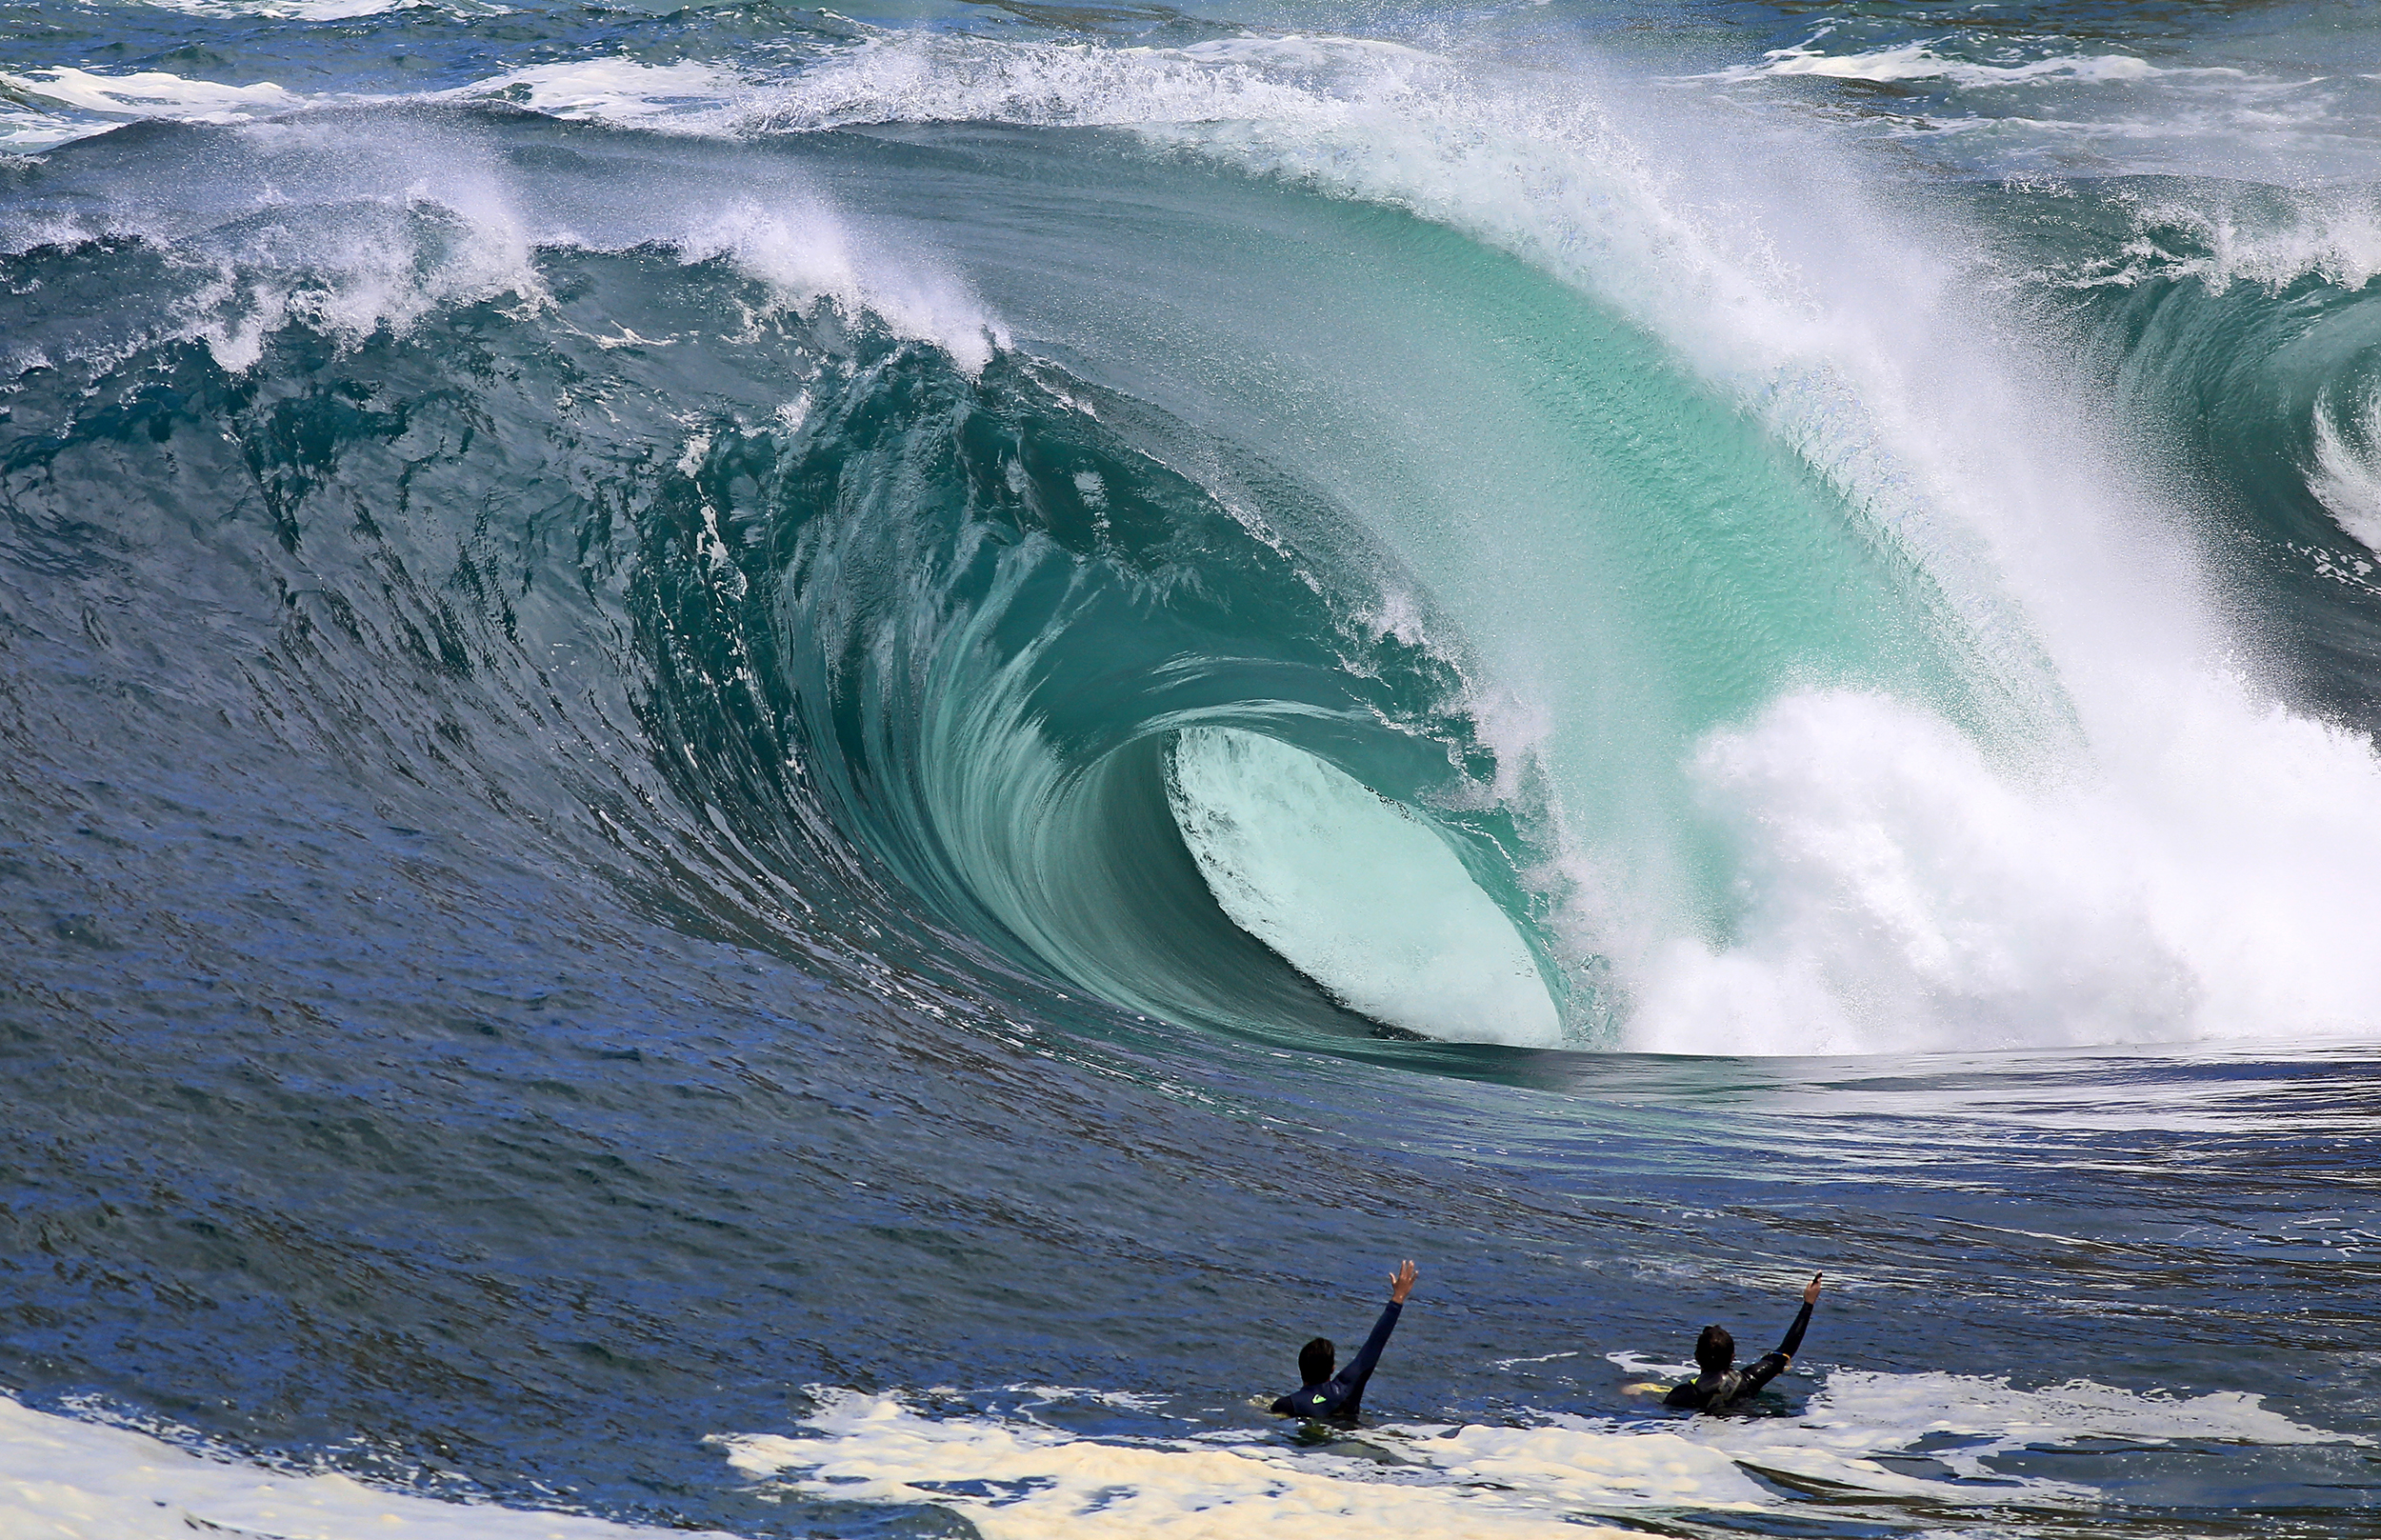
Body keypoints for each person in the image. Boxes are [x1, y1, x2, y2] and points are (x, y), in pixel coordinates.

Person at [1271, 1260, 1418, 1426]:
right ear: (1332, 1369)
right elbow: (1375, 1344)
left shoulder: (1286, 1405)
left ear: (1301, 1368)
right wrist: (1398, 1297)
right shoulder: (1346, 1388)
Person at [1664, 1272, 1823, 1413]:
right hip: (1747, 1430)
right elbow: (1786, 1350)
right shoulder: (1749, 1381)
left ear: (1697, 1356)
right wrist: (1808, 1303)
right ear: (1733, 1356)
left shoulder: (1684, 1394)